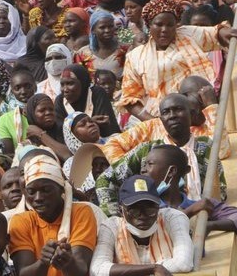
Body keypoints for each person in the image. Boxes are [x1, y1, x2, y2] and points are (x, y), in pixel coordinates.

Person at [9, 154, 105, 276]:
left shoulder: (82, 212)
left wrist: (66, 262)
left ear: (61, 188)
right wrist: (43, 263)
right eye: (31, 191)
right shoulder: (20, 222)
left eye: (46, 190)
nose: (38, 198)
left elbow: (77, 273)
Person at [97, 93, 226, 216]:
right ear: (161, 120)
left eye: (178, 110)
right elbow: (105, 180)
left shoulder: (205, 146)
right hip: (154, 223)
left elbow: (220, 189)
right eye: (165, 112)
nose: (172, 116)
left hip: (201, 219)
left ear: (191, 114)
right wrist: (114, 215)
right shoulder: (147, 150)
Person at [90, 175, 193, 276]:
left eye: (150, 208)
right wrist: (155, 269)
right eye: (134, 210)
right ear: (121, 210)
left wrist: (125, 275)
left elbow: (183, 262)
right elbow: (96, 270)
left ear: (159, 207)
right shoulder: (111, 226)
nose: (143, 216)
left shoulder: (173, 217)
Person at [119, 0, 237, 120]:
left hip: (200, 109)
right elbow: (130, 99)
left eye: (170, 25)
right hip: (163, 117)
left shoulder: (187, 34)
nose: (164, 30)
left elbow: (216, 32)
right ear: (149, 25)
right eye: (159, 25)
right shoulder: (135, 57)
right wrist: (155, 122)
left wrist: (226, 32)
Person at [141, 144, 237, 238]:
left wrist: (210, 225)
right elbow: (154, 235)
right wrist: (190, 212)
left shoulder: (200, 205)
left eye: (149, 164)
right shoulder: (140, 206)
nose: (143, 170)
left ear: (171, 171)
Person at [55, 64, 121, 141]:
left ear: (83, 82)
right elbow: (60, 131)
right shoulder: (60, 100)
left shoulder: (97, 93)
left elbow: (106, 126)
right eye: (62, 84)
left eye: (70, 83)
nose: (65, 89)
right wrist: (91, 121)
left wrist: (80, 126)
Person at [77, 10, 128, 78]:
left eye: (110, 26)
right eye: (102, 27)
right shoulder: (82, 54)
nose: (107, 30)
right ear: (93, 30)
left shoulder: (125, 50)